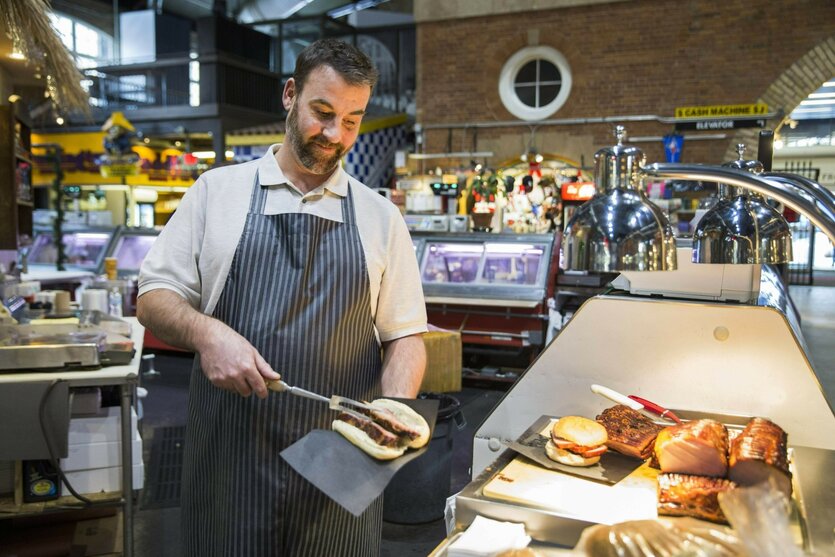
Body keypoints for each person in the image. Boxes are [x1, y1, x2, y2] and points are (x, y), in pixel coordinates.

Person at [137, 38, 428, 556]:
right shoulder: (216, 191)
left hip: (342, 471)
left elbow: (406, 335)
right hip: (231, 464)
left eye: (353, 120)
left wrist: (393, 412)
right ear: (290, 94)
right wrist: (209, 334)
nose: (336, 135)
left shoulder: (380, 216)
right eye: (323, 113)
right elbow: (154, 295)